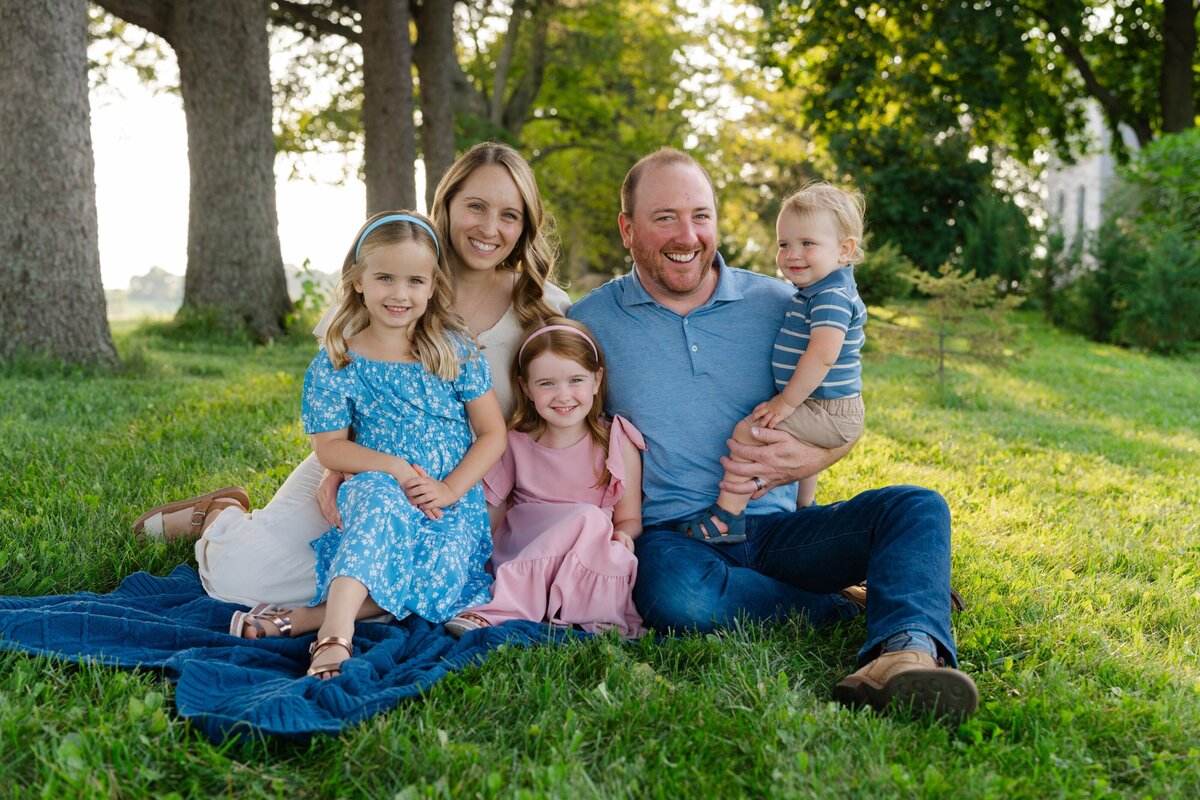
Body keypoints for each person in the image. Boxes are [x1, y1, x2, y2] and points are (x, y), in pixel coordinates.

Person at [569, 147, 978, 718]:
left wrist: (807, 461)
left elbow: (841, 417)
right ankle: (847, 606)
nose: (687, 234)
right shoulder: (588, 324)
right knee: (674, 597)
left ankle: (905, 655)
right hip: (677, 538)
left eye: (701, 215)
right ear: (627, 229)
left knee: (916, 509)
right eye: (665, 218)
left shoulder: (787, 302)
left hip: (778, 532)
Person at [131, 142, 570, 611]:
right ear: (446, 205)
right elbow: (339, 392)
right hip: (358, 467)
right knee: (246, 579)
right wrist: (339, 469)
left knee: (408, 584)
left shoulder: (545, 307)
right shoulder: (385, 276)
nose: (489, 228)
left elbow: (556, 421)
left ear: (525, 225)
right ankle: (219, 516)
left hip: (458, 487)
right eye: (475, 206)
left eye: (509, 214)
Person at [237, 210, 507, 678]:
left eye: (414, 281)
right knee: (379, 511)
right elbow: (331, 449)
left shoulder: (452, 348)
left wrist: (450, 490)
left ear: (432, 286)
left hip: (445, 499)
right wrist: (396, 468)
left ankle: (302, 619)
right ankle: (333, 638)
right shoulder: (338, 359)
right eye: (385, 278)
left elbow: (492, 433)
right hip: (376, 482)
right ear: (358, 280)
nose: (400, 294)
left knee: (440, 579)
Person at [680, 181, 867, 542]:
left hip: (826, 408)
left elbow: (823, 354)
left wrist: (786, 402)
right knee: (788, 442)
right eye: (784, 245)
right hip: (824, 404)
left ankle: (727, 517)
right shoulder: (816, 291)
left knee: (749, 431)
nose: (792, 254)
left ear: (844, 250)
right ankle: (805, 508)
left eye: (807, 244)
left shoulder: (830, 296)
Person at [444, 318, 647, 639]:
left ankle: (585, 616)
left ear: (597, 380)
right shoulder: (514, 441)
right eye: (547, 383)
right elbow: (491, 518)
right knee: (588, 518)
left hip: (587, 554)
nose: (563, 395)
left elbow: (630, 517)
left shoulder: (616, 442)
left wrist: (624, 536)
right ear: (526, 387)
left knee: (597, 530)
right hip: (527, 547)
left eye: (576, 380)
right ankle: (500, 609)